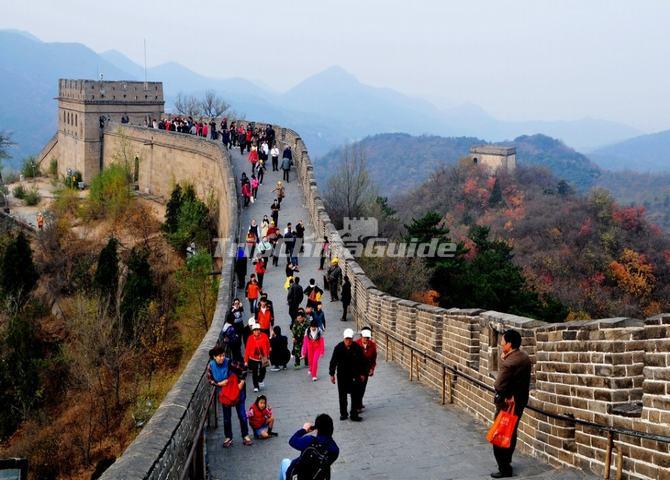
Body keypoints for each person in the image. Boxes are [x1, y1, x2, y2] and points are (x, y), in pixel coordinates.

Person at [491, 329, 532, 479]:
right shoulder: (524, 357)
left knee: (500, 433)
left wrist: (504, 361)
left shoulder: (510, 363)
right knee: (511, 431)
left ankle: (504, 468)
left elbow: (499, 384)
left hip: (508, 403)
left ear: (509, 343)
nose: (501, 344)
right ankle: (507, 461)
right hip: (519, 402)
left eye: (503, 341)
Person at [207, 346, 253, 447]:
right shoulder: (211, 366)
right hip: (225, 394)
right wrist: (219, 384)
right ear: (214, 357)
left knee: (242, 415)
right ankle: (228, 437)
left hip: (238, 391)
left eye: (223, 355)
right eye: (219, 356)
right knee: (227, 417)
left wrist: (241, 382)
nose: (222, 358)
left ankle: (245, 436)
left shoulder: (229, 362)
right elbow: (210, 380)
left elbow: (243, 369)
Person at [278, 414, 339, 480]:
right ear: (332, 429)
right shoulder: (335, 449)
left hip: (299, 476)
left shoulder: (309, 440)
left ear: (317, 429)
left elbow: (292, 441)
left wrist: (303, 430)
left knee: (284, 462)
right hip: (319, 476)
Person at [329, 329, 366, 421]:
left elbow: (362, 362)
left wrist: (362, 373)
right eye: (346, 339)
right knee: (342, 395)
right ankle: (343, 413)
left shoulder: (357, 348)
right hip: (342, 375)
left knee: (355, 396)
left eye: (350, 339)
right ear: (344, 339)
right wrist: (332, 374)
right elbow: (333, 361)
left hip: (355, 375)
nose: (348, 341)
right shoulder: (338, 348)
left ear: (352, 339)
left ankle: (354, 414)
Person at [245, 321, 271, 393]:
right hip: (253, 358)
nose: (257, 331)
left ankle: (260, 380)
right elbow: (247, 349)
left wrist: (268, 355)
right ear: (253, 331)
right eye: (255, 330)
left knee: (263, 370)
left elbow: (268, 345)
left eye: (258, 330)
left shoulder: (264, 336)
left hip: (263, 357)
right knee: (255, 372)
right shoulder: (250, 338)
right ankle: (256, 386)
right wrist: (246, 361)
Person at [356, 327, 377, 411]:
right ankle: (357, 405)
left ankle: (359, 402)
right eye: (365, 337)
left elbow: (373, 359)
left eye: (368, 337)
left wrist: (372, 369)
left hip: (366, 369)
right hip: (357, 369)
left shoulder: (372, 345)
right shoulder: (356, 344)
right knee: (357, 387)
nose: (366, 339)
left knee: (363, 387)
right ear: (361, 336)